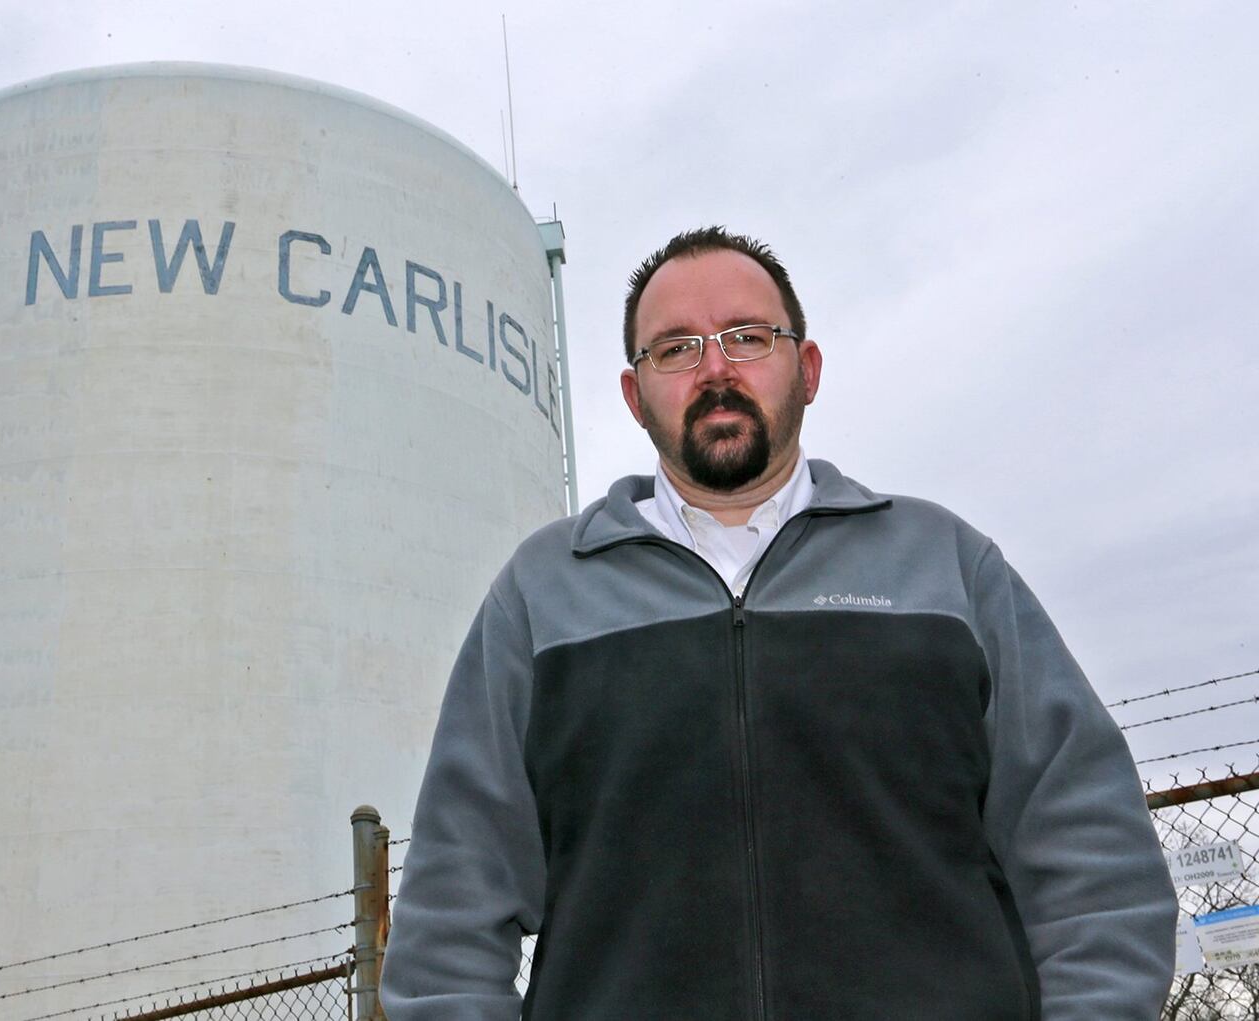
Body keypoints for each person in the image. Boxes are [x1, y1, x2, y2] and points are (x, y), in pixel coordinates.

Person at [378, 227, 1178, 1019]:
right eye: (676, 348)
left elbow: (1094, 861)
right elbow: (448, 924)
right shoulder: (541, 596)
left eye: (748, 337)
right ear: (635, 394)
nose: (716, 368)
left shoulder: (946, 568)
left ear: (808, 367)